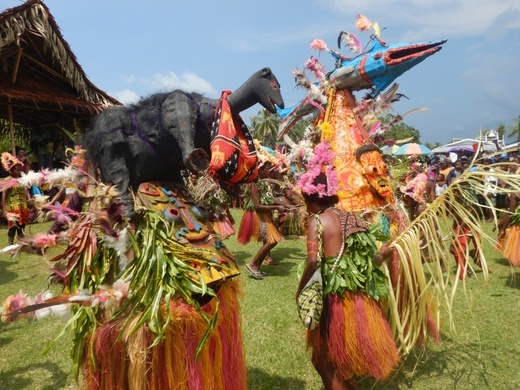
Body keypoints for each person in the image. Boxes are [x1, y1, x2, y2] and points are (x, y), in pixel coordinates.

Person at [297, 172, 399, 389]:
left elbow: (313, 263)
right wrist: (384, 254)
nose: (306, 209)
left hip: (334, 300)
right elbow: (371, 261)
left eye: (306, 203)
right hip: (360, 299)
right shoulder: (353, 219)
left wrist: (300, 292)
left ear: (315, 200)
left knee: (323, 362)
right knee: (337, 360)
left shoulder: (317, 221)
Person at [239, 160, 289, 279]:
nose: (270, 171)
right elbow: (258, 205)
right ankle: (252, 264)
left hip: (263, 214)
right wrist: (277, 207)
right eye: (267, 169)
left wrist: (287, 205)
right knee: (272, 241)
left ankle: (256, 267)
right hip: (257, 215)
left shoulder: (261, 183)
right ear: (259, 170)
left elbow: (268, 199)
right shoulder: (253, 184)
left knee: (269, 241)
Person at [1, 153, 30, 245]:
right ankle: (10, 246)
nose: (19, 172)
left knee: (21, 226)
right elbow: (4, 194)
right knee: (13, 227)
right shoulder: (8, 180)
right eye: (17, 170)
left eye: (20, 170)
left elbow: (25, 190)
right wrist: (5, 210)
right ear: (11, 171)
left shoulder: (21, 179)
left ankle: (21, 245)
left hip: (22, 206)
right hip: (12, 207)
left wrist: (29, 199)